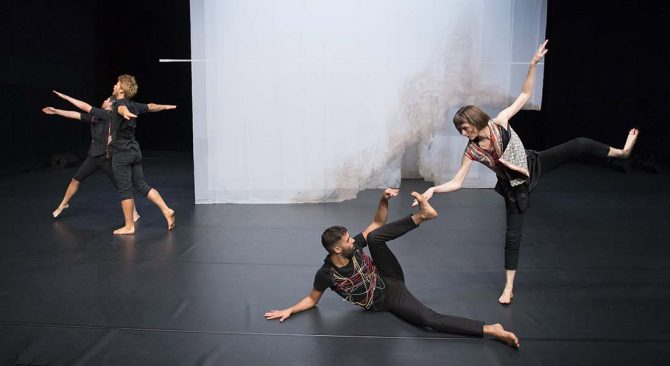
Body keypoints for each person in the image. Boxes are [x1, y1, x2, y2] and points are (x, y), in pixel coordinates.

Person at [415, 40, 639, 304]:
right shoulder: (472, 151)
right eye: (460, 131)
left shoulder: (499, 122)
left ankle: (622, 153)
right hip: (514, 188)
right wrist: (433, 189)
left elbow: (523, 95)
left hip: (533, 163)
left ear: (475, 121)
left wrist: (533, 65)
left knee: (579, 144)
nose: (464, 134)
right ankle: (509, 288)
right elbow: (456, 181)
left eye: (465, 128)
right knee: (513, 236)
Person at [265, 189, 520, 348]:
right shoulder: (326, 275)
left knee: (374, 237)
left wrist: (383, 199)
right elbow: (312, 299)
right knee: (428, 320)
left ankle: (423, 215)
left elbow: (377, 222)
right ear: (337, 250)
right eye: (348, 241)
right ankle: (492, 329)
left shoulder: (354, 248)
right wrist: (289, 310)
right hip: (386, 299)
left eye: (351, 238)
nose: (353, 240)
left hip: (389, 278)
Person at [42, 93, 140, 221]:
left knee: (122, 188)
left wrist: (66, 97)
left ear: (111, 104)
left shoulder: (112, 116)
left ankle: (135, 213)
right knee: (75, 179)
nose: (103, 101)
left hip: (109, 159)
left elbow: (84, 106)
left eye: (106, 100)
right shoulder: (95, 118)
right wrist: (56, 111)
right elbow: (75, 114)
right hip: (93, 157)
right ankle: (63, 204)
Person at [109, 74, 176, 235]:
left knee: (125, 190)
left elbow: (120, 109)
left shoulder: (119, 104)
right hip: (134, 151)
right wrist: (165, 106)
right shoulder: (133, 105)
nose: (114, 86)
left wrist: (124, 113)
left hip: (122, 153)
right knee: (141, 185)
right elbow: (151, 106)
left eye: (117, 84)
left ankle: (129, 226)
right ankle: (166, 210)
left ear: (122, 89)